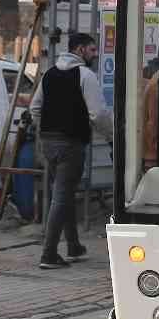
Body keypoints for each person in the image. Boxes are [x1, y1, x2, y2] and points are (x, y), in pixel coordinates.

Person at [33, 32, 111, 270]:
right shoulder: (85, 75)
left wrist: (47, 128)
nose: (95, 55)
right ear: (79, 50)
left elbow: (35, 108)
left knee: (63, 192)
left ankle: (74, 245)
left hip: (48, 142)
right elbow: (98, 113)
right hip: (71, 143)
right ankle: (48, 254)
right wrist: (111, 136)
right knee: (62, 195)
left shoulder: (48, 74)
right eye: (92, 50)